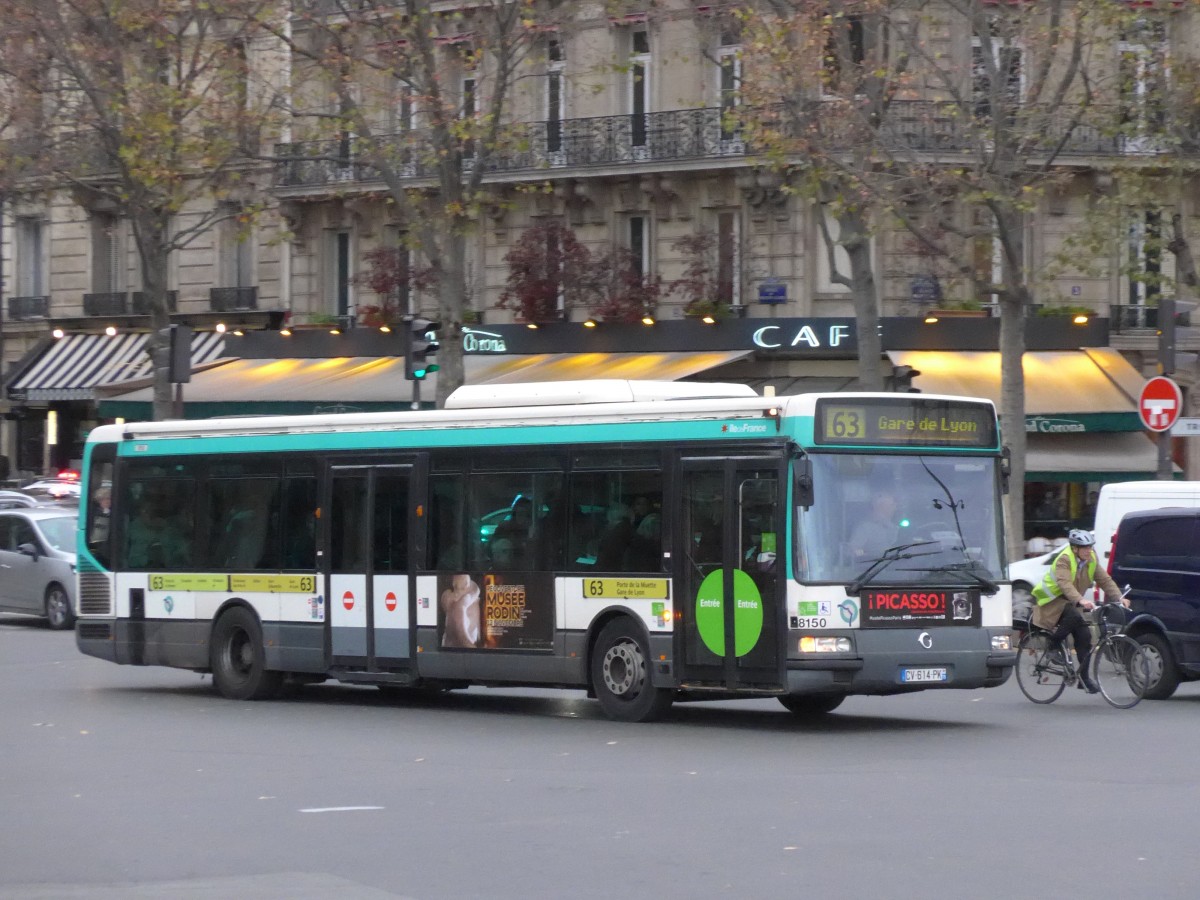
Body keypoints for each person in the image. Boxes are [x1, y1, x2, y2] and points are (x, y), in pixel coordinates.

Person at [1031, 528, 1129, 693]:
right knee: (1075, 617)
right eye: (1084, 548)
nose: (1088, 550)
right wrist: (1081, 600)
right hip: (1051, 601)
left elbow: (1104, 579)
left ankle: (1084, 680)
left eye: (1090, 547)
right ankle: (1052, 645)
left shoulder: (1091, 558)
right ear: (1074, 548)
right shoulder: (1064, 559)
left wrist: (1119, 597)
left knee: (1085, 637)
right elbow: (1065, 584)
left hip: (1070, 602)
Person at [849, 492, 899, 560]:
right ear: (880, 507)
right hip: (873, 567)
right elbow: (854, 550)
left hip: (895, 566)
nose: (895, 508)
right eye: (892, 505)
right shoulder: (865, 527)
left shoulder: (894, 526)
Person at [440, 573, 481, 648]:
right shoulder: (450, 598)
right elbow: (461, 636)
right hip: (455, 647)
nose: (457, 593)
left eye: (462, 588)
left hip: (473, 640)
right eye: (455, 587)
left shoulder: (472, 592)